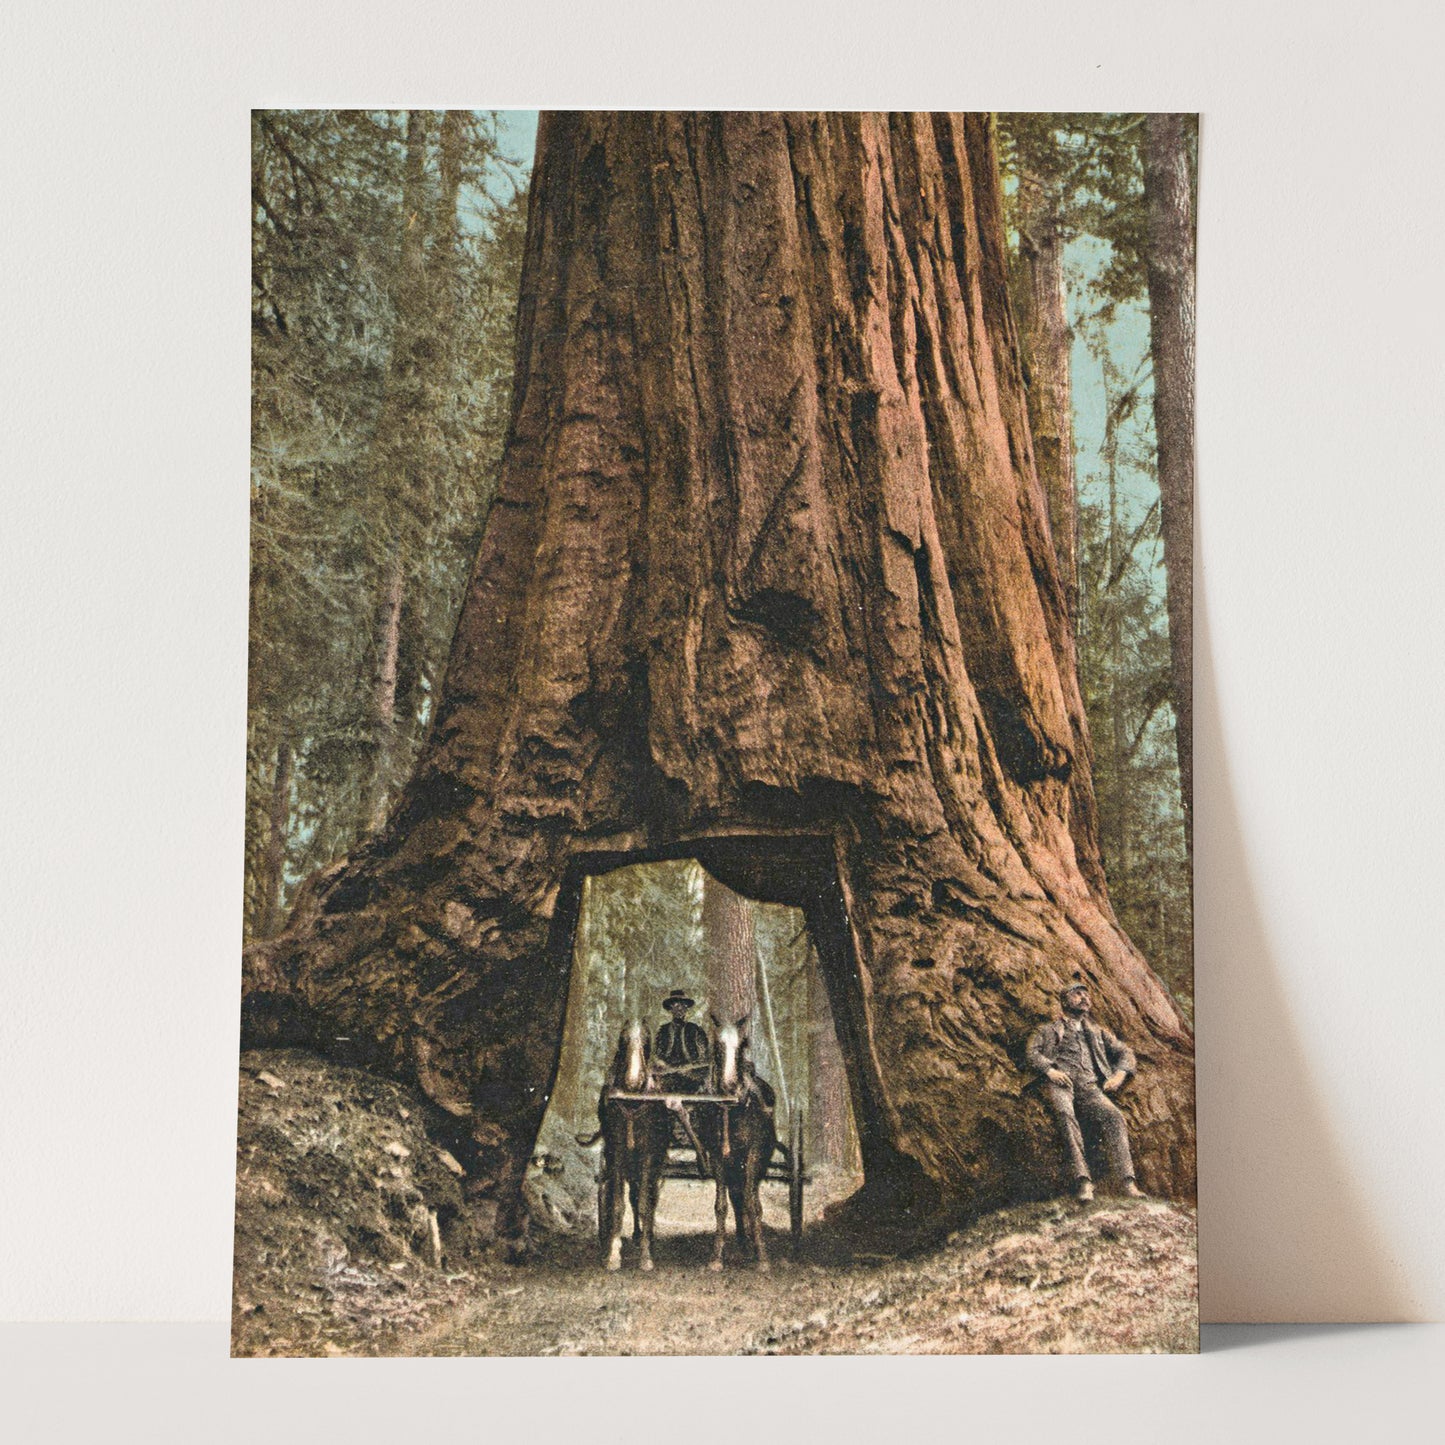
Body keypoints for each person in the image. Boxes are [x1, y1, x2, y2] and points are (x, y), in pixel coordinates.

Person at [1025, 977, 1145, 1203]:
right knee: (1065, 1115)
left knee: (1114, 1116)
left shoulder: (1098, 1032)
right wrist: (1050, 1071)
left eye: (1086, 995)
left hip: (1091, 1088)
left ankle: (1127, 1182)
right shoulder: (1048, 1030)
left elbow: (1125, 1052)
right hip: (1061, 1084)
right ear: (1064, 1001)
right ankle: (1084, 1182)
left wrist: (1119, 1075)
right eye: (1077, 994)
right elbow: (1032, 1053)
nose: (1084, 998)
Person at [654, 990, 710, 1093]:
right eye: (676, 1005)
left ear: (686, 1009)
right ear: (671, 1009)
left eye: (683, 1005)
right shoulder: (663, 1030)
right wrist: (661, 1063)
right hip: (667, 1075)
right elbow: (657, 1054)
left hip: (691, 1076)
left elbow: (704, 1056)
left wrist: (690, 1068)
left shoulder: (696, 1030)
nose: (679, 1008)